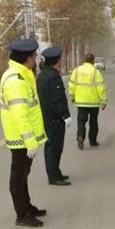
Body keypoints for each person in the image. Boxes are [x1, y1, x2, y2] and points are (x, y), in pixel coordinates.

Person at [0, 39, 47, 227]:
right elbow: (20, 115)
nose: (35, 59)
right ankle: (22, 215)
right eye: (34, 56)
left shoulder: (21, 75)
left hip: (22, 137)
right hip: (21, 138)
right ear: (27, 59)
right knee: (19, 176)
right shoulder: (16, 81)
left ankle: (27, 207)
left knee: (23, 174)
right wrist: (30, 142)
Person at [36, 46, 72, 186]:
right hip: (55, 118)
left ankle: (55, 172)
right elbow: (57, 99)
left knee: (51, 147)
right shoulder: (53, 77)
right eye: (59, 60)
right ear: (56, 62)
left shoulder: (42, 76)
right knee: (54, 148)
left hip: (47, 116)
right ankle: (54, 176)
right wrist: (65, 115)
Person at [68, 52, 107, 149]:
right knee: (93, 122)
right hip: (93, 103)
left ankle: (80, 136)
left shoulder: (76, 71)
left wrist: (72, 96)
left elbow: (71, 85)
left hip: (81, 102)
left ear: (84, 60)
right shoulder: (96, 72)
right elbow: (101, 87)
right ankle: (93, 141)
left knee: (81, 121)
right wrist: (103, 101)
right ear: (93, 61)